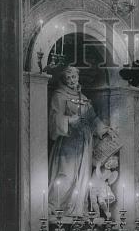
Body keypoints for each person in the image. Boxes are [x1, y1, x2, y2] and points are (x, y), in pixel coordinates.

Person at [47, 65, 110, 217]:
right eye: (68, 78)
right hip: (68, 142)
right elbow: (54, 119)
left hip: (84, 143)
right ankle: (55, 207)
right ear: (63, 80)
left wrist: (104, 129)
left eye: (73, 77)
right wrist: (69, 120)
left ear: (78, 78)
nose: (71, 80)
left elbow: (92, 118)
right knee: (66, 176)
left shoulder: (83, 98)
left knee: (83, 177)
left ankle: (77, 210)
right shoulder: (59, 95)